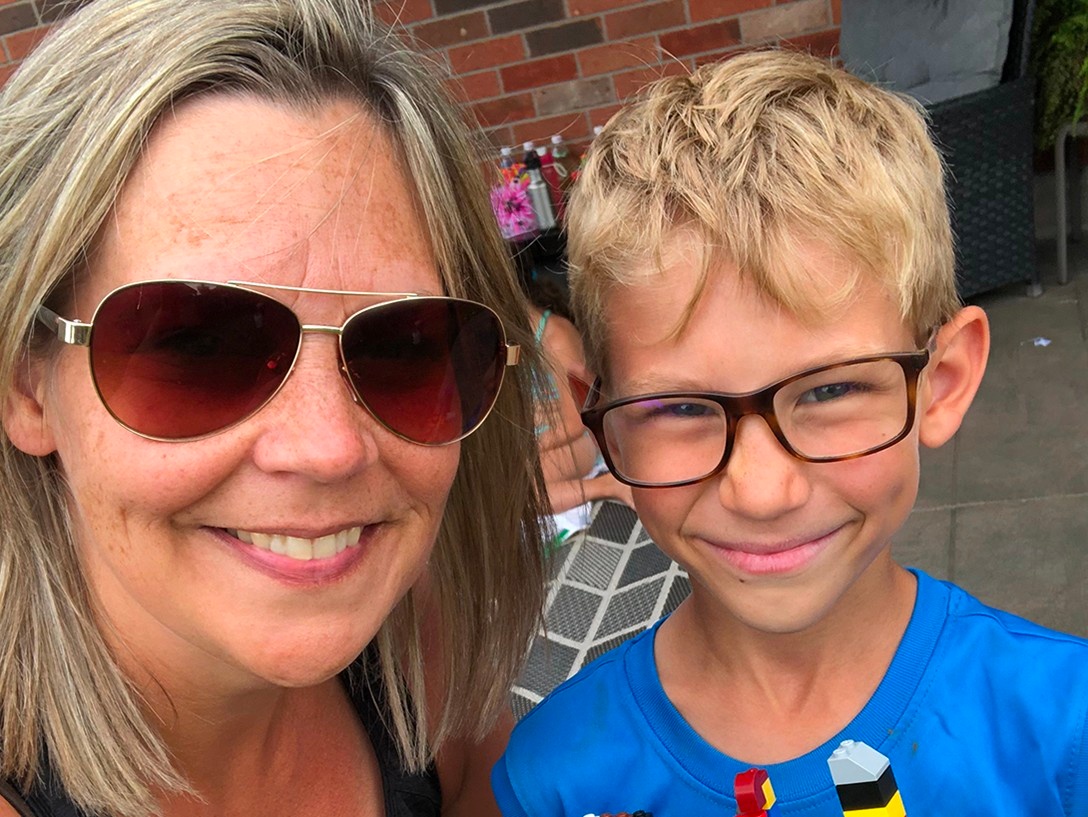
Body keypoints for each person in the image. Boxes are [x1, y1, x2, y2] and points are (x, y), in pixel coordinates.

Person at [493, 50, 1088, 815]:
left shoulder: (1061, 731)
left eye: (832, 390)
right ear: (600, 419)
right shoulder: (553, 780)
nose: (762, 491)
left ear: (940, 383)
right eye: (679, 407)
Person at [0, 1, 549, 815]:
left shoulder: (416, 651)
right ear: (26, 384)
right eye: (198, 347)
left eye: (403, 347)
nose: (329, 448)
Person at [521, 273, 633, 543]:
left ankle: (605, 486)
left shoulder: (555, 337)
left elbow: (576, 421)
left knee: (516, 489)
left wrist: (524, 449)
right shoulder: (497, 345)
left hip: (577, 439)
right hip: (534, 443)